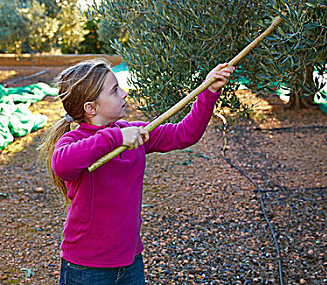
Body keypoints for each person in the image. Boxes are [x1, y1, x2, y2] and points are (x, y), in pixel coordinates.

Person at [39, 58, 235, 285]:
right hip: (86, 266)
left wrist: (208, 91)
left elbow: (185, 134)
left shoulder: (133, 132)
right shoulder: (75, 139)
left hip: (130, 260)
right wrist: (116, 138)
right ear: (91, 108)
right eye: (114, 91)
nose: (124, 94)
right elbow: (62, 165)